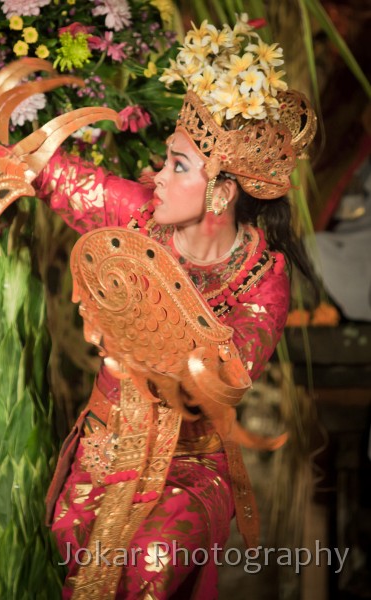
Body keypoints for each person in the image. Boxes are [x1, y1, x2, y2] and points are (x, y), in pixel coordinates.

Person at [32, 16, 318, 599]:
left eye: (177, 167)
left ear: (221, 191)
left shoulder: (263, 278)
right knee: (66, 548)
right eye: (165, 161)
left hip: (192, 466)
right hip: (106, 447)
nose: (157, 177)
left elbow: (221, 380)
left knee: (150, 564)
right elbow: (50, 174)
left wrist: (132, 332)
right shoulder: (134, 215)